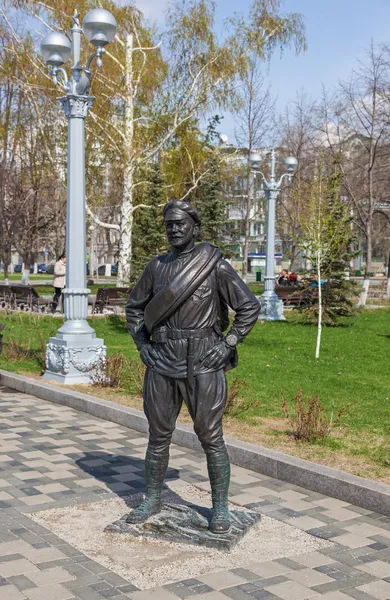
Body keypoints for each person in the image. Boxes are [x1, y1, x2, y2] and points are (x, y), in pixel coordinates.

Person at [125, 200, 260, 534]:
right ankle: (152, 498)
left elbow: (249, 307)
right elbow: (133, 308)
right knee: (158, 435)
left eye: (180, 224)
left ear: (194, 226)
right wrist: (143, 344)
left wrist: (228, 343)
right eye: (169, 224)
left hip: (203, 359)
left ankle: (220, 510)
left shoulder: (215, 266)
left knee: (211, 437)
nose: (174, 229)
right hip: (163, 356)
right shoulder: (156, 267)